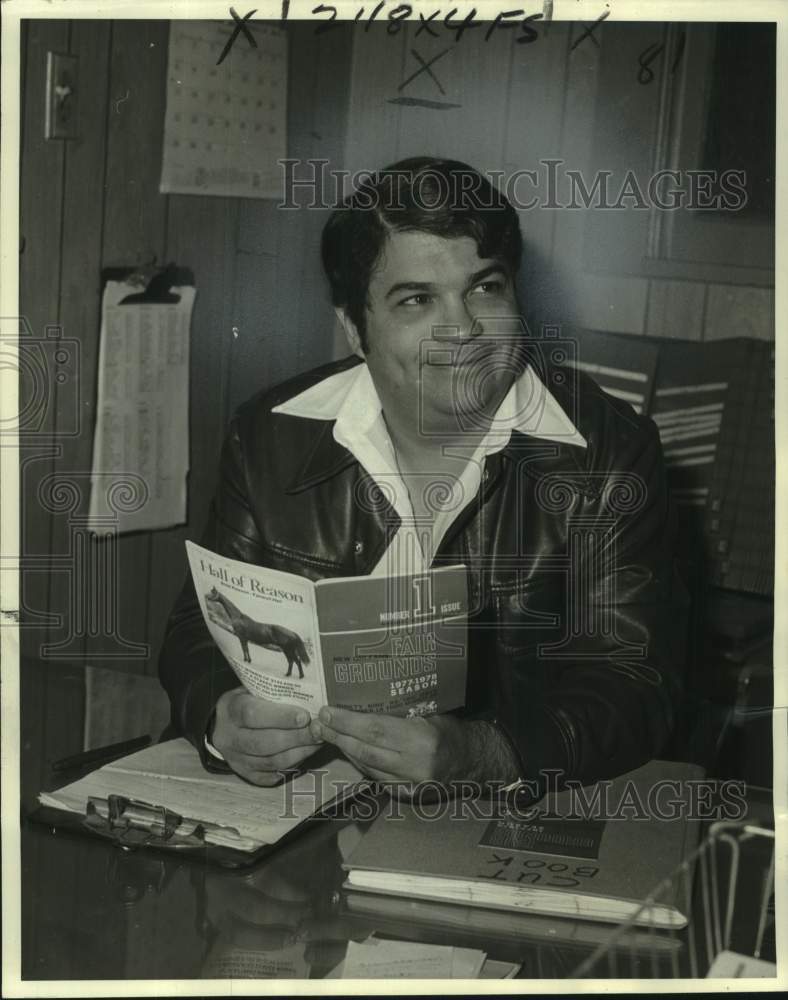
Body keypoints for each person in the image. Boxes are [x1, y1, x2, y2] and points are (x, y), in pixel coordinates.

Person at [159, 157, 687, 797]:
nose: (462, 329)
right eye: (416, 300)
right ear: (355, 329)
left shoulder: (610, 454)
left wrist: (487, 753)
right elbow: (199, 628)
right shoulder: (268, 434)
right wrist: (221, 720)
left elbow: (638, 685)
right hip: (302, 814)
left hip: (501, 817)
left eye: (484, 288)